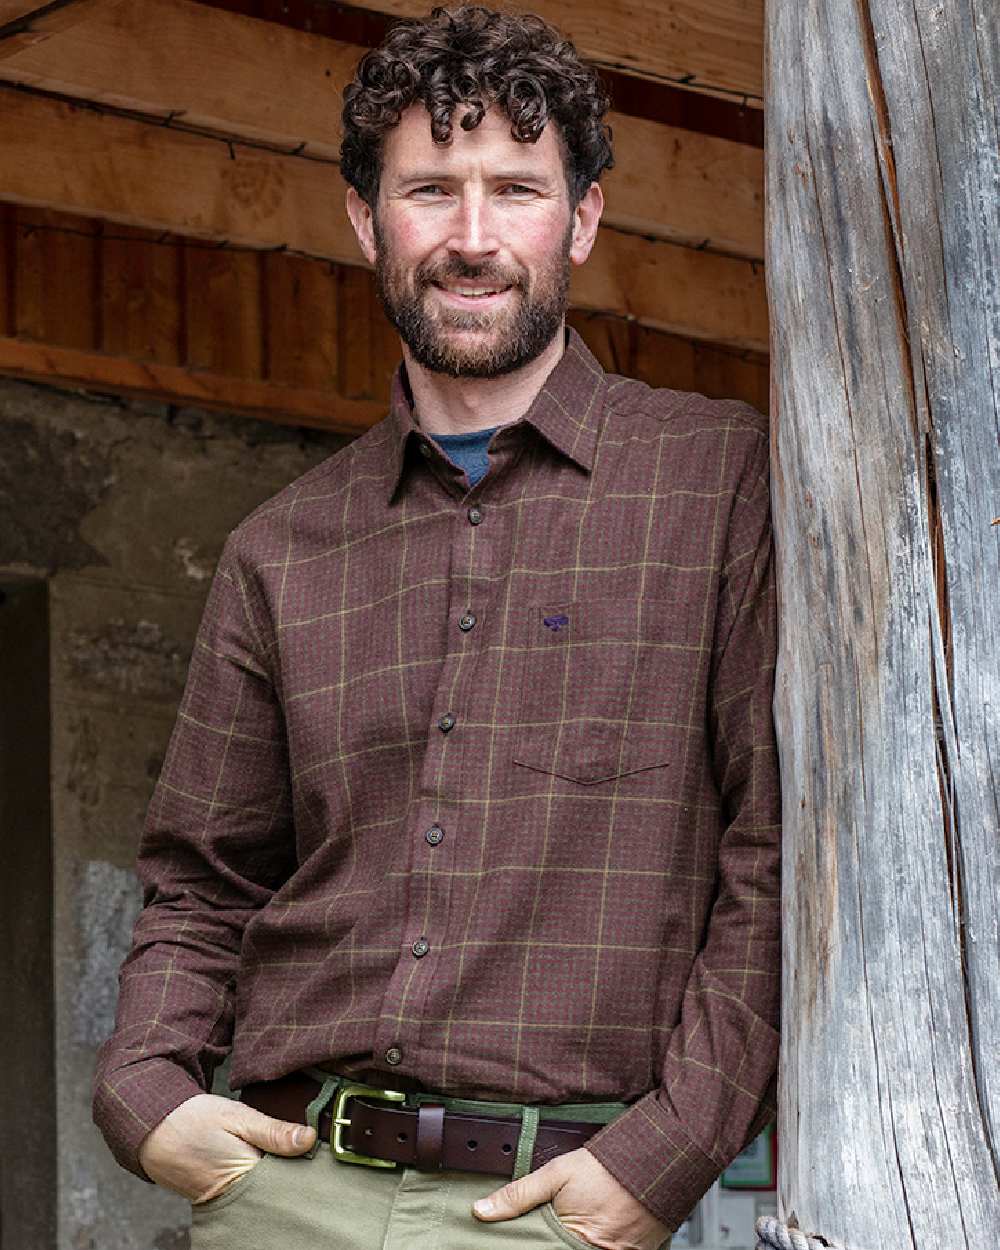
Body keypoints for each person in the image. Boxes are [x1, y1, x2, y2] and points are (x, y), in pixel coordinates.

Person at [93, 8, 780, 1249]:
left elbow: (778, 850)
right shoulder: (280, 547)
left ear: (579, 219)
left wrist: (667, 1152)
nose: (472, 239)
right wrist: (146, 1094)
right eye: (430, 191)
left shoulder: (721, 481)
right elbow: (200, 879)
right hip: (282, 1192)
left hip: (557, 1201)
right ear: (367, 220)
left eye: (515, 189)